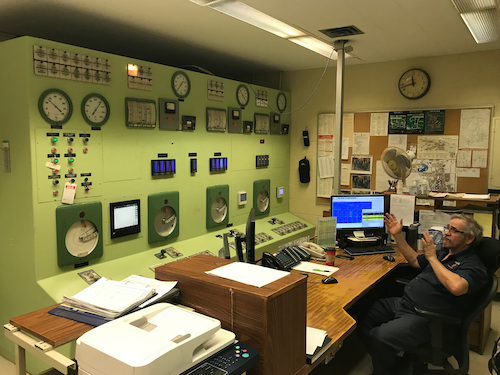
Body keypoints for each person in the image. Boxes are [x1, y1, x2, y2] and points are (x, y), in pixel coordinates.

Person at [358, 213, 487, 375]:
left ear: (469, 239)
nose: (446, 232)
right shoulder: (444, 252)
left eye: (453, 230)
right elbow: (414, 261)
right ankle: (392, 363)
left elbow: (457, 287)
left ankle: (384, 370)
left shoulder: (474, 267)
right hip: (405, 304)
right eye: (448, 228)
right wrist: (397, 235)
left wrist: (433, 258)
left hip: (426, 317)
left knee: (379, 336)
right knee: (360, 314)